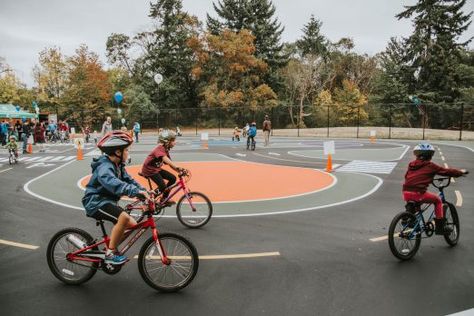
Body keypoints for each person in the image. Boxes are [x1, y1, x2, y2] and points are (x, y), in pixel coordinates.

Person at [82, 131, 149, 265]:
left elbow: (129, 180)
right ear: (118, 152)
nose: (128, 153)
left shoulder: (118, 166)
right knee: (123, 217)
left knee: (133, 225)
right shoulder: (104, 166)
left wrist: (145, 191)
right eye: (127, 150)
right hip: (95, 202)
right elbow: (113, 184)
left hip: (106, 201)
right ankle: (110, 253)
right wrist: (136, 192)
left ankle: (109, 247)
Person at [402, 143, 468, 235]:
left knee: (416, 203)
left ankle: (407, 217)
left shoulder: (411, 164)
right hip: (419, 193)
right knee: (437, 200)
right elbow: (446, 171)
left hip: (406, 192)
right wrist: (460, 172)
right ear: (430, 156)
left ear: (417, 155)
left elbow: (407, 176)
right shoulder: (431, 166)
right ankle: (440, 227)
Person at [141, 130, 186, 206]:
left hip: (156, 169)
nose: (175, 142)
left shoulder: (165, 150)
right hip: (149, 170)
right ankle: (148, 199)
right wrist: (177, 167)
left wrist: (179, 171)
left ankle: (164, 198)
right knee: (162, 186)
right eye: (173, 140)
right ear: (167, 142)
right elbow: (166, 159)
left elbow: (170, 164)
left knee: (173, 178)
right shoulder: (159, 149)